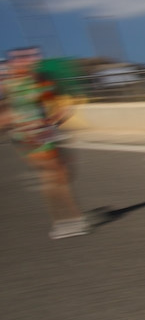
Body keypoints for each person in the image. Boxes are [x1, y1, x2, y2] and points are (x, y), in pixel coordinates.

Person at [1, 46, 90, 239]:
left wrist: (56, 119)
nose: (29, 63)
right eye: (22, 60)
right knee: (54, 175)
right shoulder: (14, 85)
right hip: (31, 136)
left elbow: (55, 105)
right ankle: (69, 220)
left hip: (39, 134)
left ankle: (66, 220)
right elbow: (5, 116)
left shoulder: (36, 81)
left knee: (58, 175)